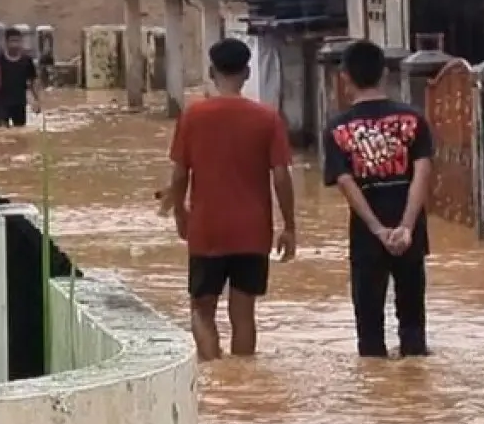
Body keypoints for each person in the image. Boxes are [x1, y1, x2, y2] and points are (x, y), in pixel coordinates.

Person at [165, 37, 296, 361]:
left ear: (211, 71)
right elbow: (281, 176)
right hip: (253, 231)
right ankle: (242, 383)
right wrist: (289, 226)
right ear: (247, 72)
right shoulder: (268, 118)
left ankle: (214, 376)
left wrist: (180, 214)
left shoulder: (193, 116)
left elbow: (180, 175)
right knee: (243, 314)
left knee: (201, 309)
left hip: (207, 229)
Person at [323, 39, 435, 358]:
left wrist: (377, 229)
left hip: (366, 237)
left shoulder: (337, 128)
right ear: (385, 73)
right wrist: (406, 227)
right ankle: (414, 399)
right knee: (413, 326)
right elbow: (421, 175)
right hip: (409, 234)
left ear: (345, 77)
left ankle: (375, 403)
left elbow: (346, 183)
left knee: (369, 332)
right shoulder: (414, 120)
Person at [0, 26, 41, 127]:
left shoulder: (26, 60)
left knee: (20, 130)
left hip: (19, 102)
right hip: (2, 103)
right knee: (2, 130)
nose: (15, 45)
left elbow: (33, 80)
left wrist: (36, 100)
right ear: (6, 43)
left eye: (17, 41)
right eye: (12, 41)